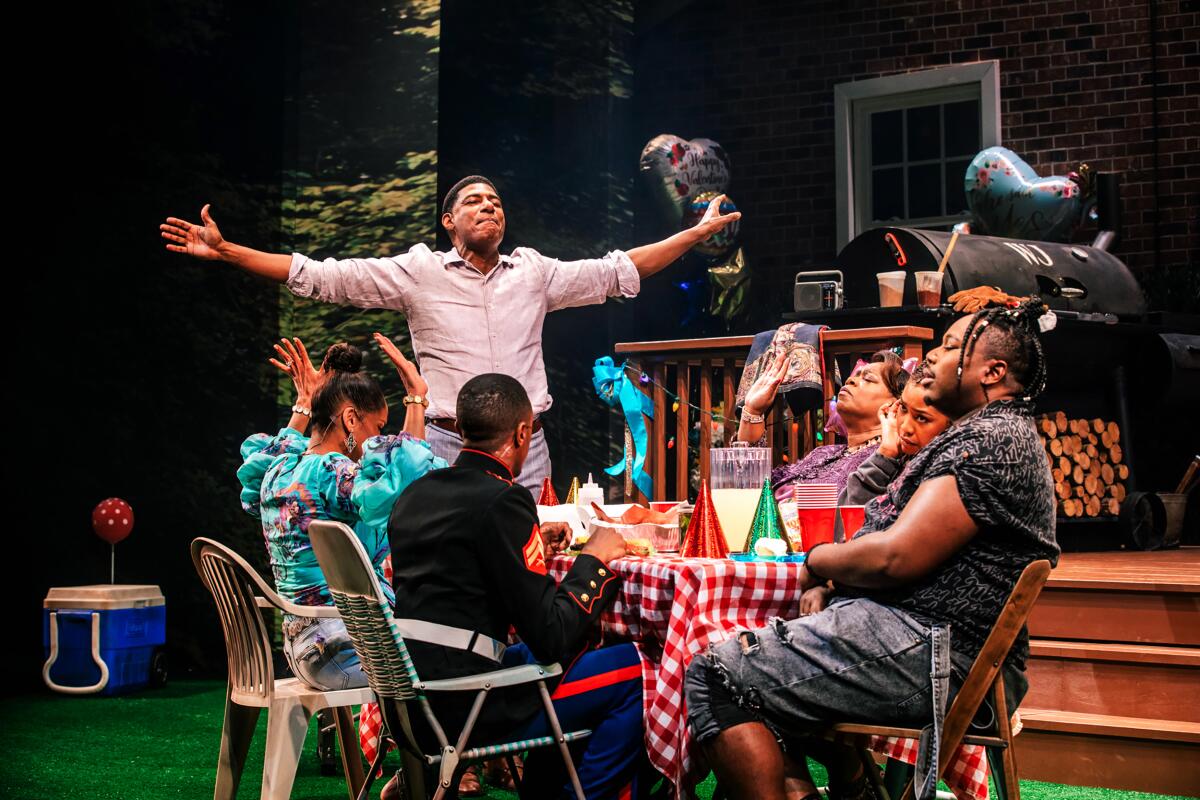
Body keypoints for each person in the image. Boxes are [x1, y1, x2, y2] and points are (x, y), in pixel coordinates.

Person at [686, 298, 1060, 800]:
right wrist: (836, 585)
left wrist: (816, 562)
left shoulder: (990, 442)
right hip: (920, 642)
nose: (932, 357)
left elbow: (894, 557)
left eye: (951, 346)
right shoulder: (984, 435)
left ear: (991, 372)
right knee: (755, 678)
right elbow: (882, 545)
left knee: (716, 675)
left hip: (936, 654)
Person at [162, 176, 741, 493]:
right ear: (449, 221)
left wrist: (697, 234)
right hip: (445, 445)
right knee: (452, 562)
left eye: (495, 201)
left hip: (525, 444)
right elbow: (321, 277)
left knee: (531, 559)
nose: (488, 206)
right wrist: (230, 252)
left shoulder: (535, 273)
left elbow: (620, 270)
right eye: (473, 201)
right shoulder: (419, 271)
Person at [387, 373, 648, 799]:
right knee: (635, 670)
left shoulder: (416, 494)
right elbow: (550, 634)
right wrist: (592, 562)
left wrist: (528, 547)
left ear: (459, 428)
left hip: (409, 698)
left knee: (592, 651)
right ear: (523, 432)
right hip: (467, 703)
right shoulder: (503, 499)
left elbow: (455, 577)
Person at [238, 337, 446, 690]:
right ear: (351, 418)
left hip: (301, 650)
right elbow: (405, 485)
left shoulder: (278, 470)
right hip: (344, 650)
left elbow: (279, 449)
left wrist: (305, 403)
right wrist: (415, 400)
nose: (379, 440)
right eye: (379, 428)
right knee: (458, 660)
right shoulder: (331, 475)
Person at [737, 350, 910, 501]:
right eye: (855, 375)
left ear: (895, 404)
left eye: (868, 379)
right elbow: (758, 487)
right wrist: (752, 411)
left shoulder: (889, 460)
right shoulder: (823, 453)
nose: (850, 380)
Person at [839, 361, 950, 506]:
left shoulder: (944, 471)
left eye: (922, 418)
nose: (905, 427)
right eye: (903, 408)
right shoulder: (904, 457)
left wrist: (884, 454)